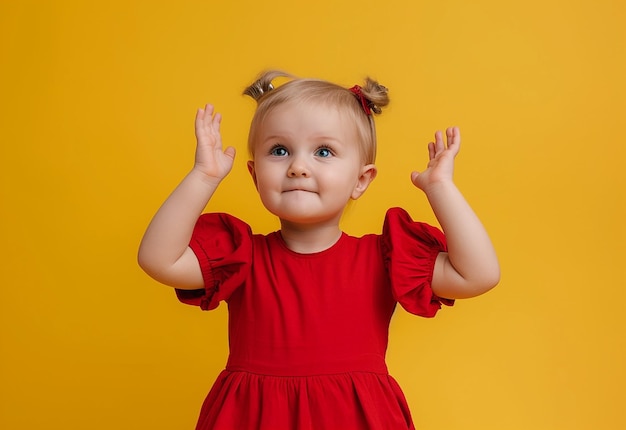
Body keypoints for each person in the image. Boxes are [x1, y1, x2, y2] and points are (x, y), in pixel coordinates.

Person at [137, 70, 500, 430]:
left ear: (360, 180)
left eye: (323, 151)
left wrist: (441, 188)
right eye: (279, 150)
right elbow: (158, 259)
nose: (297, 167)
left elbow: (479, 275)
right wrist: (203, 176)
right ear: (254, 175)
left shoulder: (383, 259)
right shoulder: (242, 257)